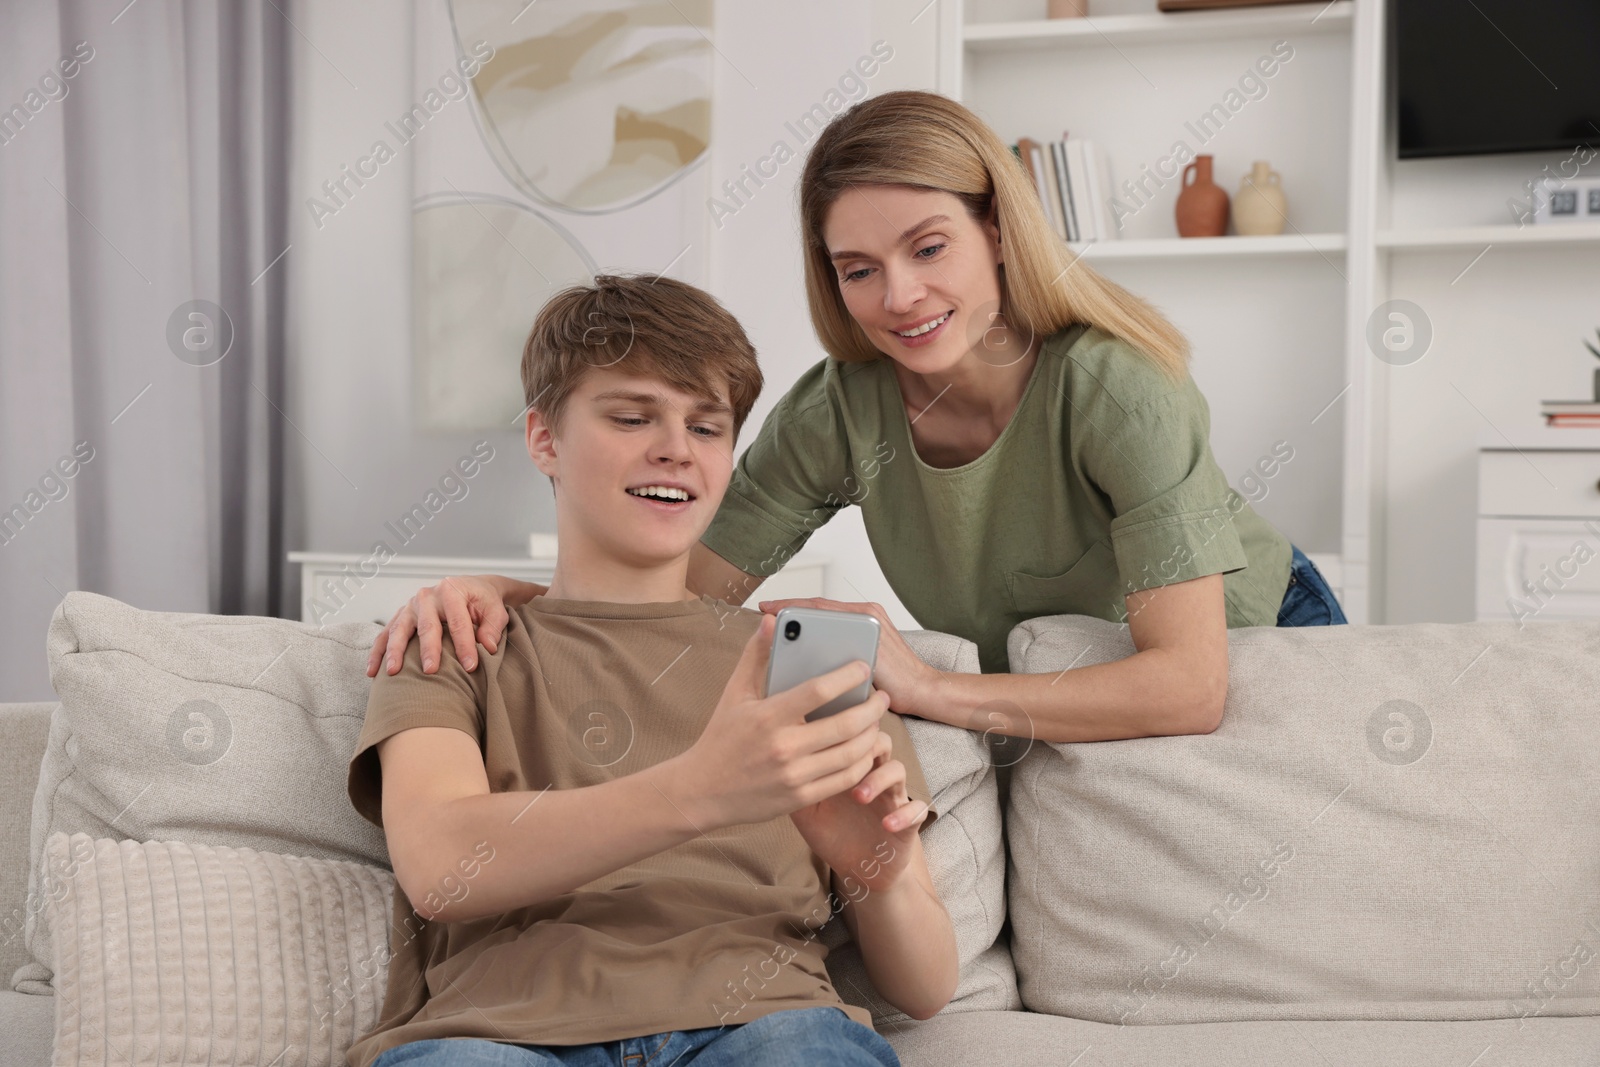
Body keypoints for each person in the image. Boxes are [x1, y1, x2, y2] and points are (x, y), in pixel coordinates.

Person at [368, 90, 1346, 751]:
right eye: (858, 268)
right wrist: (503, 591)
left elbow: (1186, 685)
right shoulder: (841, 409)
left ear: (997, 233)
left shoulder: (1114, 389)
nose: (900, 296)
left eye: (928, 247)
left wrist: (929, 686)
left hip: (1253, 638)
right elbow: (687, 595)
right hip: (1062, 676)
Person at [345, 274, 954, 1067]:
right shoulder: (453, 640)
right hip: (501, 1040)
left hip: (767, 1027)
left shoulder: (806, 666)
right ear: (543, 439)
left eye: (708, 427)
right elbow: (440, 864)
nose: (676, 447)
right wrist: (703, 787)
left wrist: (880, 868)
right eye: (633, 416)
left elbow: (927, 983)